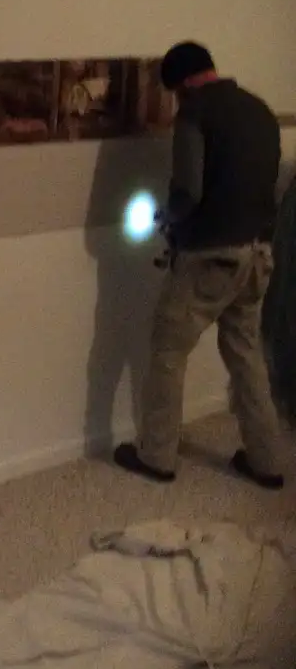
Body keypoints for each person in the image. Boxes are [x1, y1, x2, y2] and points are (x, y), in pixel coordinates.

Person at [113, 41, 285, 490]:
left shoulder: (195, 115)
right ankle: (267, 460)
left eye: (173, 92)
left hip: (209, 259)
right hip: (258, 256)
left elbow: (188, 190)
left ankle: (156, 454)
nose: (174, 101)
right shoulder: (261, 111)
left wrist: (167, 216)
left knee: (168, 350)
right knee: (247, 356)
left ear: (185, 84)